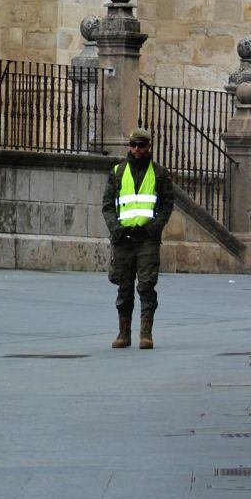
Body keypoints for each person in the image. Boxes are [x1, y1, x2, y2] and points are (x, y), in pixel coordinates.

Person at [101, 125, 175, 350]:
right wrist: (115, 229)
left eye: (141, 145)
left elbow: (167, 205)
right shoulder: (117, 172)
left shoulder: (160, 174)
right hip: (123, 239)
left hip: (146, 240)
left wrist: (154, 229)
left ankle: (146, 333)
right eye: (133, 145)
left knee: (146, 285)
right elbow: (107, 206)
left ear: (148, 146)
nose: (136, 149)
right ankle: (124, 333)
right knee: (124, 287)